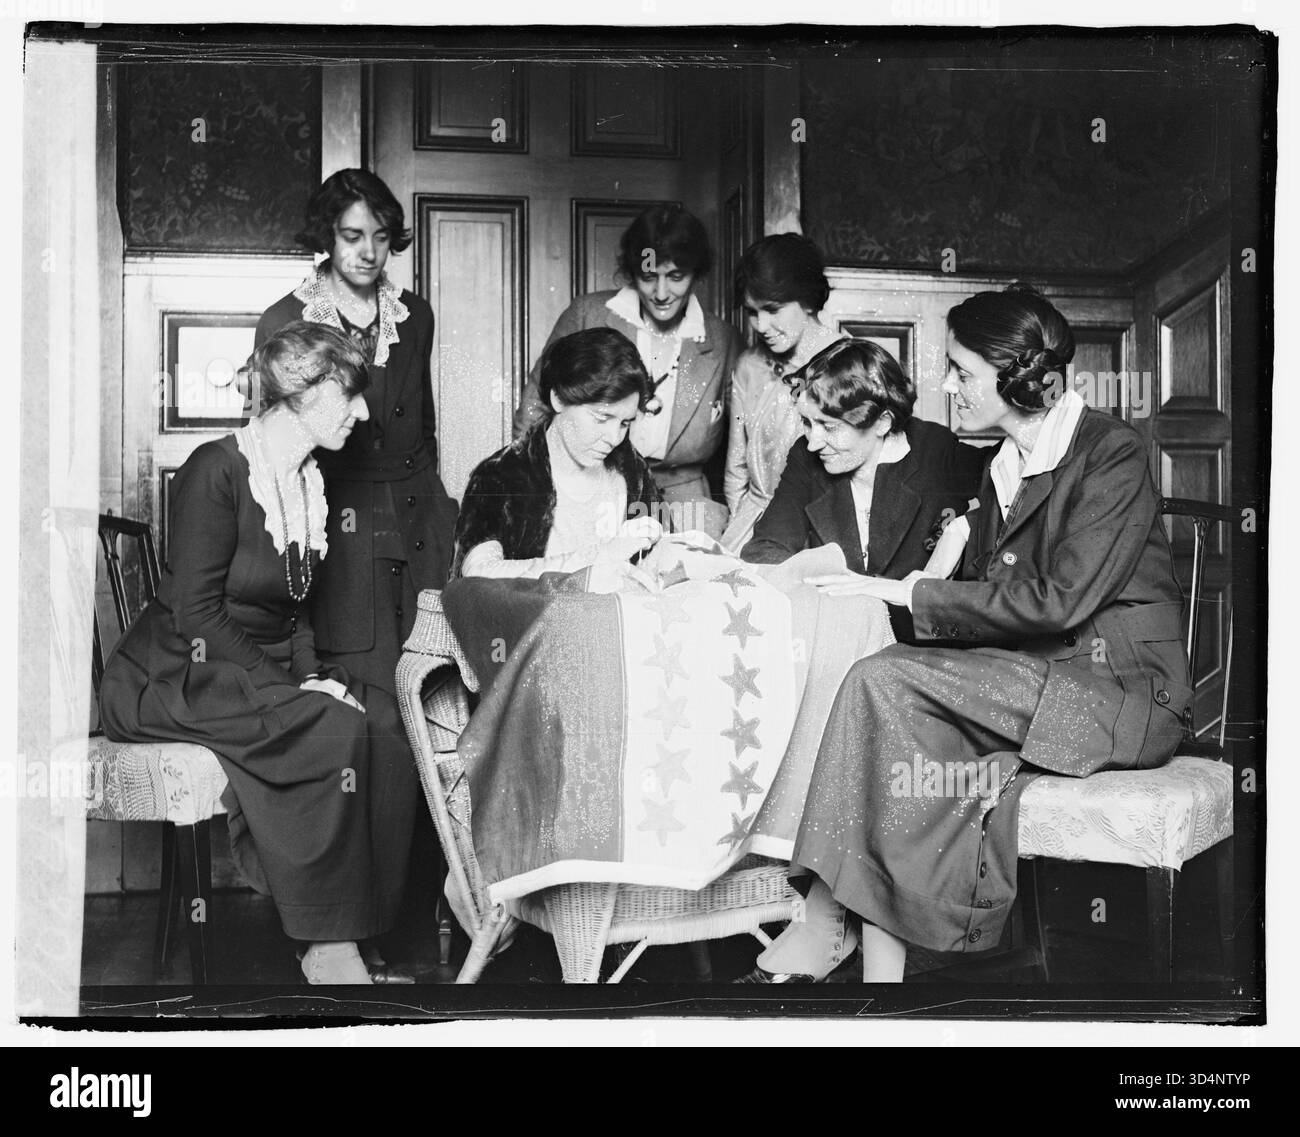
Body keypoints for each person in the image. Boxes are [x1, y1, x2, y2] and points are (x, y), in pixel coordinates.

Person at [741, 285, 1192, 983]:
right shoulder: (1000, 465)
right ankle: (878, 968)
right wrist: (944, 561)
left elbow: (1060, 603)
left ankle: (834, 925)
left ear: (1016, 377)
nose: (946, 387)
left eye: (961, 372)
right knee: (885, 691)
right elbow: (987, 593)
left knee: (881, 679)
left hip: (1122, 699)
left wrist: (910, 589)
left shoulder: (1111, 453)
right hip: (1036, 683)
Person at [99, 323, 419, 985]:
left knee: (386, 723)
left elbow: (295, 610)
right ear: (299, 395)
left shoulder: (306, 483)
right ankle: (324, 944)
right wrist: (294, 692)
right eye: (349, 395)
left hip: (248, 663)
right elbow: (196, 615)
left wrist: (309, 677)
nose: (362, 412)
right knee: (332, 725)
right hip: (173, 669)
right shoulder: (216, 468)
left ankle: (362, 933)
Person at [257, 168, 458, 698]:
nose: (369, 251)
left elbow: (425, 424)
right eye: (352, 236)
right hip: (339, 527)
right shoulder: (285, 318)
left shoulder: (415, 315)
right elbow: (273, 447)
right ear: (327, 236)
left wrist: (437, 515)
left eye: (382, 237)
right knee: (368, 694)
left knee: (435, 686)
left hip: (417, 522)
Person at [513, 204, 742, 538]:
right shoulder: (587, 315)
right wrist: (541, 487)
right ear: (633, 272)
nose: (662, 294)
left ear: (697, 273)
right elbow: (535, 406)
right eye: (649, 277)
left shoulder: (722, 339)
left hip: (687, 503)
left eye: (676, 277)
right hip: (593, 487)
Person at [740, 338, 986, 581]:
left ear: (882, 422)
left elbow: (1015, 495)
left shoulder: (935, 450)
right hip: (834, 613)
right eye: (807, 422)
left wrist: (962, 529)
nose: (813, 442)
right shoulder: (805, 456)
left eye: (829, 426)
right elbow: (764, 549)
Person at [455, 327, 663, 582]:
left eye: (625, 423)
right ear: (558, 399)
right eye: (601, 418)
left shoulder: (633, 470)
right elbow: (477, 575)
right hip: (532, 621)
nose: (614, 438)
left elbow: (664, 561)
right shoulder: (501, 474)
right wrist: (601, 557)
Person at [720, 234, 848, 553]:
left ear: (806, 300)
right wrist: (740, 529)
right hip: (751, 527)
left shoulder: (850, 363)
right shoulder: (748, 366)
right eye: (752, 312)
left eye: (772, 309)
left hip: (822, 531)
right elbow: (737, 466)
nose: (761, 325)